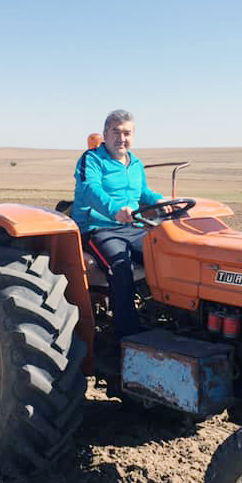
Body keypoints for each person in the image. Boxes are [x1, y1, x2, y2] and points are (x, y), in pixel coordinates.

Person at [72, 109, 162, 339]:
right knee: (120, 266)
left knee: (164, 255)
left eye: (127, 133)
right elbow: (91, 190)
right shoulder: (91, 160)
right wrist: (115, 210)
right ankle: (126, 334)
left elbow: (143, 192)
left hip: (133, 228)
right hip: (97, 228)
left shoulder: (136, 164)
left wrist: (161, 201)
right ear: (105, 134)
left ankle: (162, 319)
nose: (121, 138)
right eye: (116, 132)